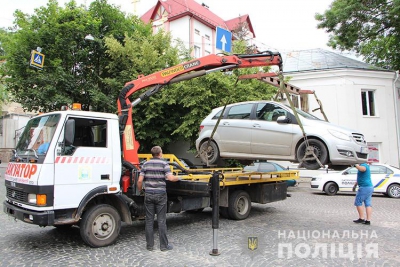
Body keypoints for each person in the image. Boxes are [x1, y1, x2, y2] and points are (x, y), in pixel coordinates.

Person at [137, 146, 181, 251]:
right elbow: (170, 178)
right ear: (160, 153)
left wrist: (141, 190)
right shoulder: (164, 164)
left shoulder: (145, 164)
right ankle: (164, 246)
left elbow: (139, 181)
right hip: (160, 195)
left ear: (152, 154)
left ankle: (150, 245)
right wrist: (179, 177)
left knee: (149, 221)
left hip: (148, 194)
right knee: (161, 221)